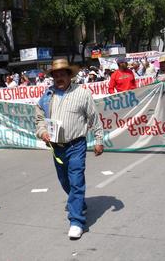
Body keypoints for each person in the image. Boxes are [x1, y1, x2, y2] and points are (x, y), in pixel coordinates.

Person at [35, 58, 104, 240]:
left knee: (76, 180)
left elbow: (93, 118)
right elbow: (39, 117)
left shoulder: (82, 93)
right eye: (56, 75)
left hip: (76, 145)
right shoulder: (47, 95)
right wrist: (42, 132)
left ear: (69, 76)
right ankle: (78, 202)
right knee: (64, 181)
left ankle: (76, 221)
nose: (59, 77)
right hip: (56, 147)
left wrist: (99, 139)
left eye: (62, 74)